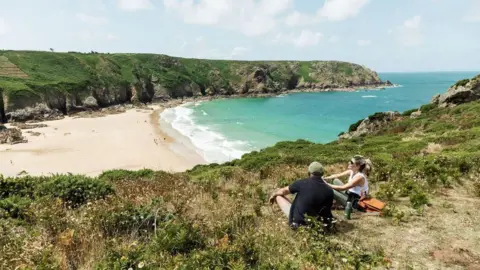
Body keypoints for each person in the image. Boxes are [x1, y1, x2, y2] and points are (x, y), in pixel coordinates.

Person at [269, 161, 334, 229]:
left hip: (300, 226)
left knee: (278, 196)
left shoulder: (302, 183)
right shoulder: (329, 190)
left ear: (309, 172)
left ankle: (293, 218)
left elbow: (283, 191)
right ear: (322, 173)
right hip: (321, 227)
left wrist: (274, 194)